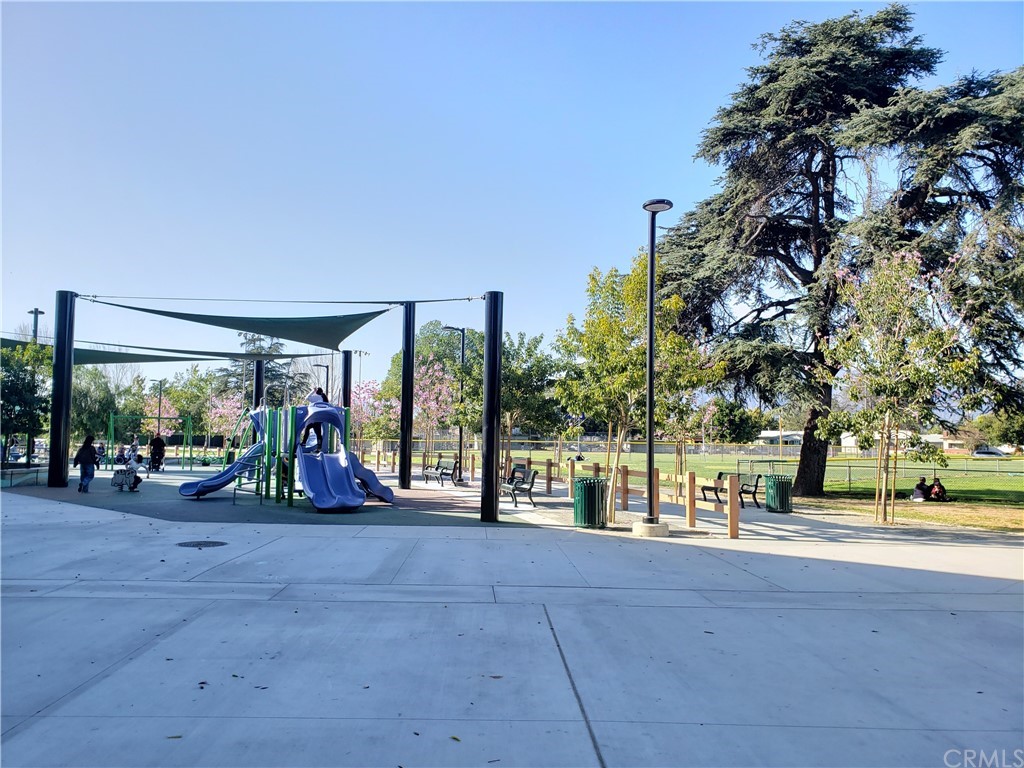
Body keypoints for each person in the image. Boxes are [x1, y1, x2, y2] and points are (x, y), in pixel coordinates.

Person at [300, 387, 328, 452]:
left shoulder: (316, 397)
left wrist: (313, 391)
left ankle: (304, 442)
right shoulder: (323, 398)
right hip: (320, 418)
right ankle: (319, 447)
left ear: (316, 392)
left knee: (308, 428)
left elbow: (307, 397)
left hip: (314, 417)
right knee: (318, 432)